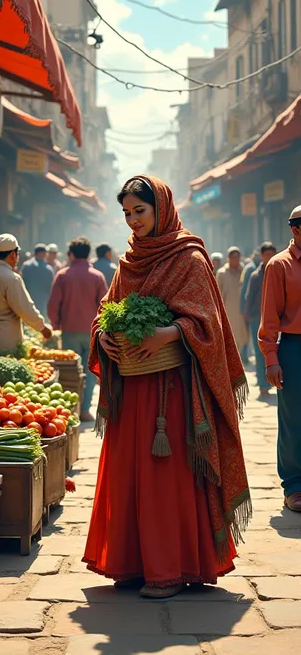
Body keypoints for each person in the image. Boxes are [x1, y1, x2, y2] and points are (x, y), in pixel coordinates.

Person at [83, 175, 250, 599]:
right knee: (129, 475)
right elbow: (107, 311)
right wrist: (102, 335)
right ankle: (131, 564)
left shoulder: (190, 257)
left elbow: (207, 322)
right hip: (132, 388)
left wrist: (169, 333)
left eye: (140, 211)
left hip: (172, 394)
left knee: (165, 478)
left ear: (162, 208)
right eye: (127, 214)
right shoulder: (128, 261)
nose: (133, 221)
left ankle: (171, 569)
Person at [259, 207, 301, 511]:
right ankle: (294, 485)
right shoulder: (279, 265)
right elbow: (270, 317)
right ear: (295, 229)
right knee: (292, 419)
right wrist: (271, 358)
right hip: (293, 348)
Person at [48, 237, 108, 422]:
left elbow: (53, 304)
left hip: (70, 330)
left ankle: (70, 409)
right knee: (90, 371)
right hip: (92, 331)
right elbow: (105, 305)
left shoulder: (63, 275)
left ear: (71, 254)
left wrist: (56, 323)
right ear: (88, 254)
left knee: (70, 371)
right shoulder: (97, 276)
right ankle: (84, 409)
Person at [0, 234, 53, 353]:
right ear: (13, 255)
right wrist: (43, 328)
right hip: (4, 342)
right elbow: (25, 309)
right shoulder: (11, 278)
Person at [244, 242, 277, 398]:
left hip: (278, 318)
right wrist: (247, 315)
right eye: (267, 255)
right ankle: (263, 384)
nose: (269, 257)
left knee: (277, 351)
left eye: (272, 254)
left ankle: (275, 381)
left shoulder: (280, 271)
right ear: (262, 256)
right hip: (258, 317)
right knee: (259, 352)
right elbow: (249, 297)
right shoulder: (255, 275)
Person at [216, 247, 249, 353]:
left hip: (241, 312)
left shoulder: (244, 271)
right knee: (229, 340)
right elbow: (218, 294)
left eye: (237, 257)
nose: (236, 259)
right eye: (233, 257)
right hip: (228, 312)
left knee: (242, 338)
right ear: (228, 258)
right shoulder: (222, 273)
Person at [21, 244, 55, 318]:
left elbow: (22, 283)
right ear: (43, 253)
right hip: (43, 301)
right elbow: (51, 288)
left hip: (27, 300)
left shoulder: (26, 266)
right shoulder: (48, 269)